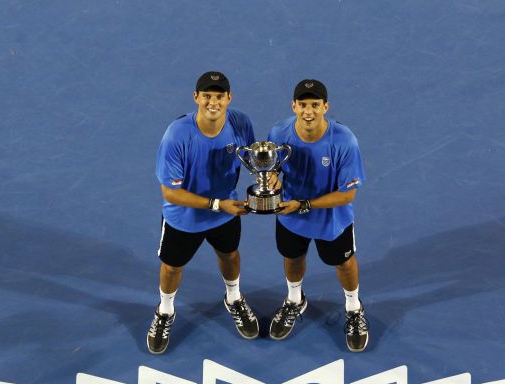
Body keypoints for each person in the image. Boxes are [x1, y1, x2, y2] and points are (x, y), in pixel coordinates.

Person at [148, 71, 259, 355]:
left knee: (229, 254)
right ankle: (165, 310)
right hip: (184, 218)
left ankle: (233, 297)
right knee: (172, 267)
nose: (213, 102)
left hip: (225, 212)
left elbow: (251, 159)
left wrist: (266, 178)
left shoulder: (240, 122)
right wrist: (215, 204)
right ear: (196, 97)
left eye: (219, 96)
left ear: (229, 98)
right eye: (207, 96)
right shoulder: (177, 135)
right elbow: (170, 193)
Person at [268, 79, 369, 352]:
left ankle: (353, 307)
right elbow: (273, 169)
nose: (308, 111)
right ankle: (294, 300)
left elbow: (347, 195)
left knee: (344, 264)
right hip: (290, 215)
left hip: (331, 220)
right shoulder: (278, 133)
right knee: (292, 257)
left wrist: (303, 205)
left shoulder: (344, 141)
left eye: (315, 105)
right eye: (303, 105)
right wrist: (273, 180)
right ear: (294, 106)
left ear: (325, 107)